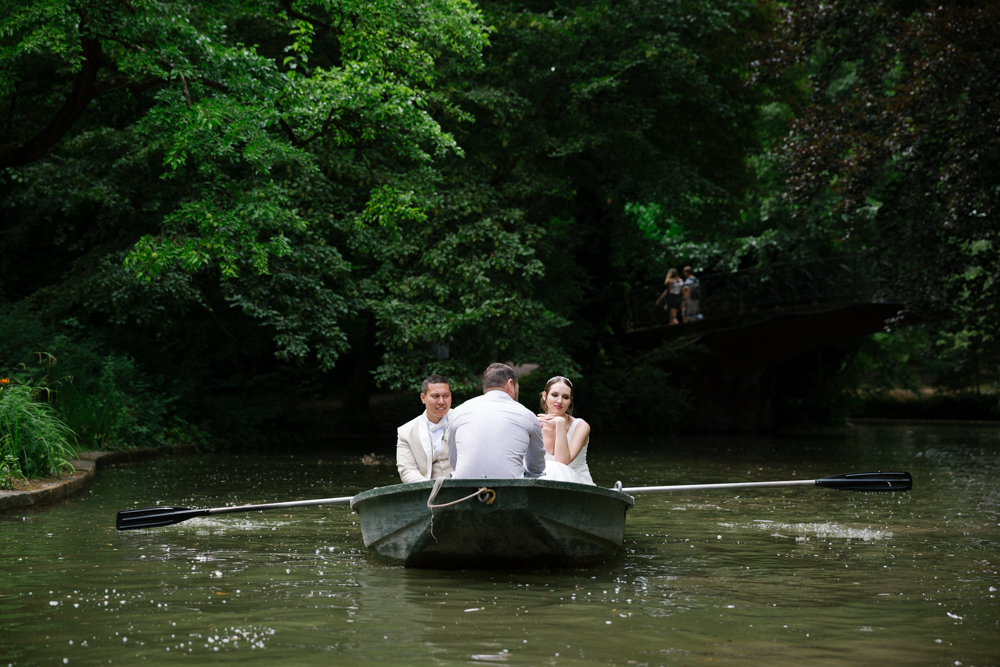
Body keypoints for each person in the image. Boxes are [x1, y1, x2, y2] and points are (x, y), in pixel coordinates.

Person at [447, 363, 546, 479]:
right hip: (511, 491)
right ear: (510, 384)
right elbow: (536, 469)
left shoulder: (458, 412)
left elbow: (454, 462)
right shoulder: (528, 416)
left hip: (465, 490)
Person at [396, 374, 454, 483]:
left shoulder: (463, 421)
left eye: (446, 395)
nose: (441, 401)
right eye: (435, 396)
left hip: (462, 489)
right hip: (426, 493)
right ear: (423, 398)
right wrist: (428, 488)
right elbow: (407, 470)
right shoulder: (406, 432)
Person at [537, 376, 593, 485]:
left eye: (565, 397)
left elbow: (562, 462)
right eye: (554, 395)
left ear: (570, 401)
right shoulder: (533, 424)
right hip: (543, 485)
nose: (559, 401)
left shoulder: (581, 426)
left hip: (578, 485)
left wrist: (560, 423)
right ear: (545, 396)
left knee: (554, 468)